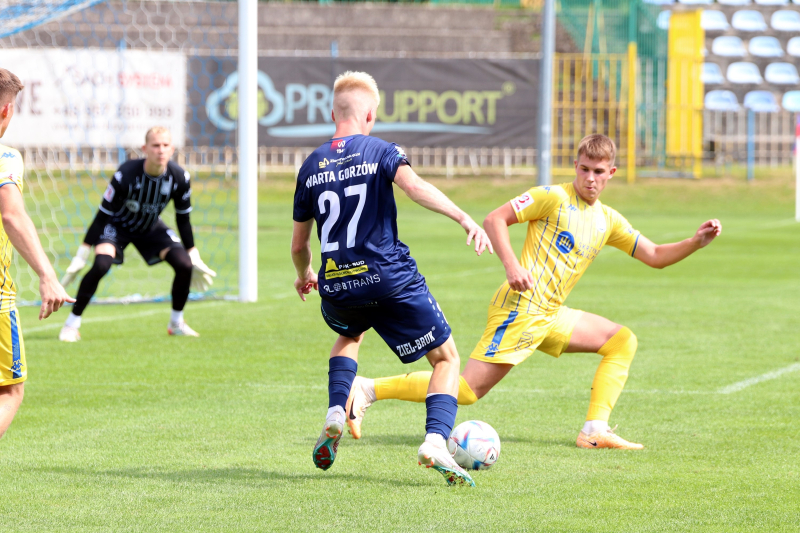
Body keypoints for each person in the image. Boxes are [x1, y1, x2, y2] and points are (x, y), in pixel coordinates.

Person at [346, 134, 722, 450]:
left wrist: (695, 242)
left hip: (551, 314)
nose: (590, 178)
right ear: (575, 166)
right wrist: (512, 266)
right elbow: (495, 218)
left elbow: (654, 255)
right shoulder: (552, 197)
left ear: (611, 173)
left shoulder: (608, 220)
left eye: (598, 172)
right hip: (522, 309)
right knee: (466, 390)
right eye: (584, 169)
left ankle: (594, 431)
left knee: (621, 341)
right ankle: (368, 389)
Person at [292, 71, 493, 486]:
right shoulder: (381, 150)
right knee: (446, 359)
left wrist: (304, 274)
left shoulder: (310, 166)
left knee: (349, 335)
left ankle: (336, 411)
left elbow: (299, 245)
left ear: (333, 114)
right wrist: (463, 217)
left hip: (337, 283)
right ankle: (435, 442)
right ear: (370, 115)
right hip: (388, 277)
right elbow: (414, 188)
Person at [58, 127, 217, 341]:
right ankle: (71, 324)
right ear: (145, 148)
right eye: (155, 145)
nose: (161, 150)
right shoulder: (127, 173)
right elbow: (103, 214)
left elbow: (183, 219)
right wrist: (82, 254)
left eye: (165, 145)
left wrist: (193, 254)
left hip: (150, 228)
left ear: (172, 149)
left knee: (184, 265)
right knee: (102, 264)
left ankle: (176, 323)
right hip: (117, 226)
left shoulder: (179, 177)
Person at [0, 68, 74, 439]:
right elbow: (12, 214)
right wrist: (47, 275)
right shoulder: (5, 157)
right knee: (9, 392)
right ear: (6, 110)